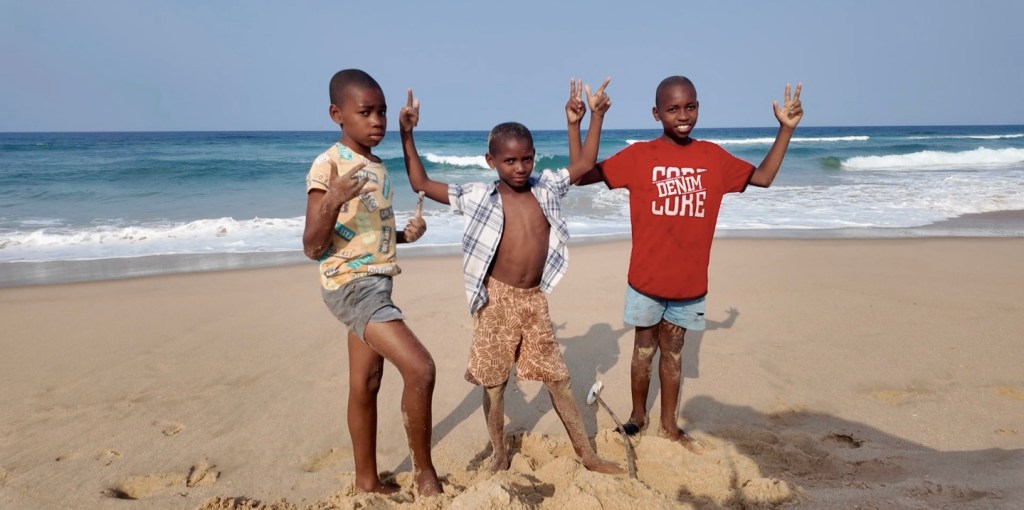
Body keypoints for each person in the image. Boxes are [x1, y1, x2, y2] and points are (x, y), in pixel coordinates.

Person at [400, 79, 622, 474]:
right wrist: (407, 134)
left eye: (527, 159)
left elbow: (586, 164)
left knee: (558, 378)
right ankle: (500, 452)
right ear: (491, 162)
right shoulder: (476, 196)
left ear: (535, 157)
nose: (520, 168)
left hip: (534, 299)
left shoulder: (547, 187)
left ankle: (587, 455)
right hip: (496, 300)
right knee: (495, 383)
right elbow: (420, 182)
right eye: (510, 161)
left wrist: (589, 119)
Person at [573, 76, 804, 449]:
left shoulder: (713, 158)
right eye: (673, 108)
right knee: (643, 351)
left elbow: (762, 177)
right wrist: (588, 121)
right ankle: (637, 417)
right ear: (656, 113)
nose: (683, 115)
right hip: (645, 280)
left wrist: (785, 130)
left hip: (689, 285)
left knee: (674, 354)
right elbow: (581, 174)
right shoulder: (639, 157)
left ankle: (669, 425)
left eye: (690, 106)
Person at [301, 68, 442, 496]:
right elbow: (312, 244)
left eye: (381, 112)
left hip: (377, 280)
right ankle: (425, 476)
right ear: (336, 114)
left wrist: (402, 237)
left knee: (366, 383)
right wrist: (333, 200)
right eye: (366, 112)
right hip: (351, 285)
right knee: (421, 368)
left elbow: (364, 232)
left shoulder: (377, 165)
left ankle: (366, 482)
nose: (376, 120)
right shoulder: (329, 165)